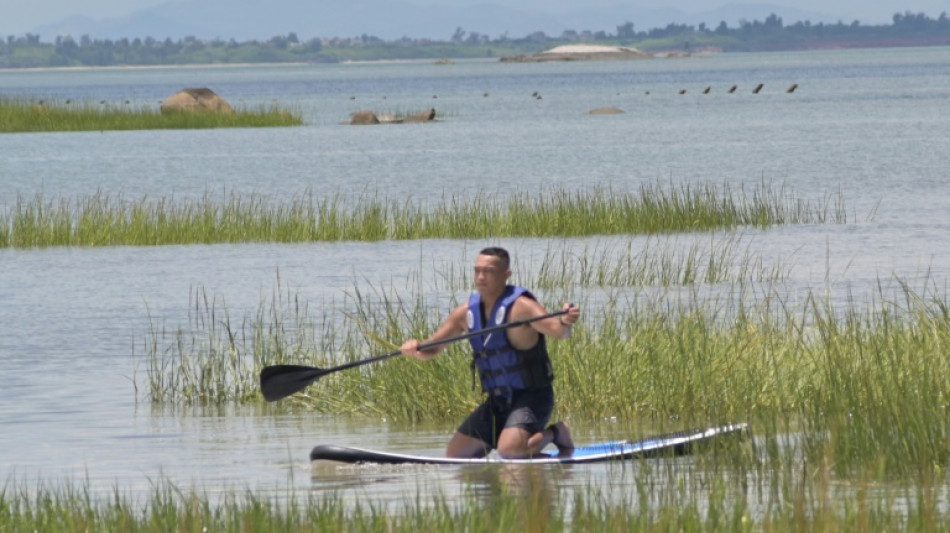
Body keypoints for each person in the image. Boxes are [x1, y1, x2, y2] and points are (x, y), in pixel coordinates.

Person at [400, 246, 580, 459]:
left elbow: (559, 331)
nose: (481, 277)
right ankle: (510, 439)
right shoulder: (464, 313)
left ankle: (556, 432)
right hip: (497, 401)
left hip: (533, 397)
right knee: (456, 455)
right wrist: (416, 347)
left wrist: (566, 320)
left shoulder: (522, 307)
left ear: (506, 274)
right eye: (477, 271)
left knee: (510, 451)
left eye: (489, 271)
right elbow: (433, 348)